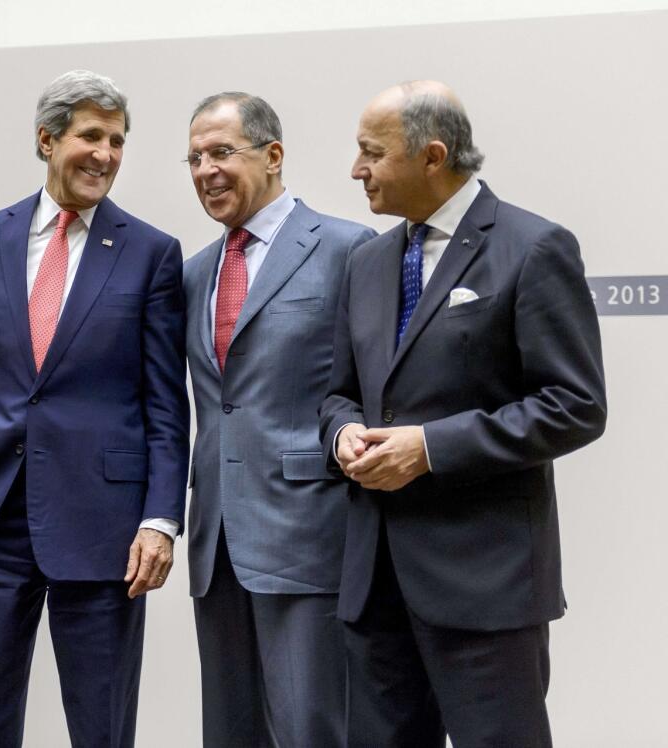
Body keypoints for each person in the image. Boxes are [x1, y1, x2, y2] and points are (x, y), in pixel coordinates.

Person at [319, 81, 607, 747]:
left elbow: (575, 406)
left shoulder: (534, 248)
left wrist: (430, 448)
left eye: (370, 153)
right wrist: (341, 433)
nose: (355, 169)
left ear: (431, 156)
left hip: (486, 586)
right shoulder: (366, 261)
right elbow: (336, 393)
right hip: (375, 582)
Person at [0, 69, 189, 747]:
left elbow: (165, 401)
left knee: (101, 725)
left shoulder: (151, 253)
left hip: (103, 525)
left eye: (117, 141)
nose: (105, 153)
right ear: (47, 140)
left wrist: (160, 518)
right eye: (90, 136)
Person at [183, 91, 375, 747]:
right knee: (231, 732)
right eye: (194, 158)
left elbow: (368, 390)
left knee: (311, 730)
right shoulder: (194, 273)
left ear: (273, 155)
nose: (205, 169)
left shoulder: (350, 249)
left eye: (220, 152)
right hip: (216, 545)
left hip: (309, 535)